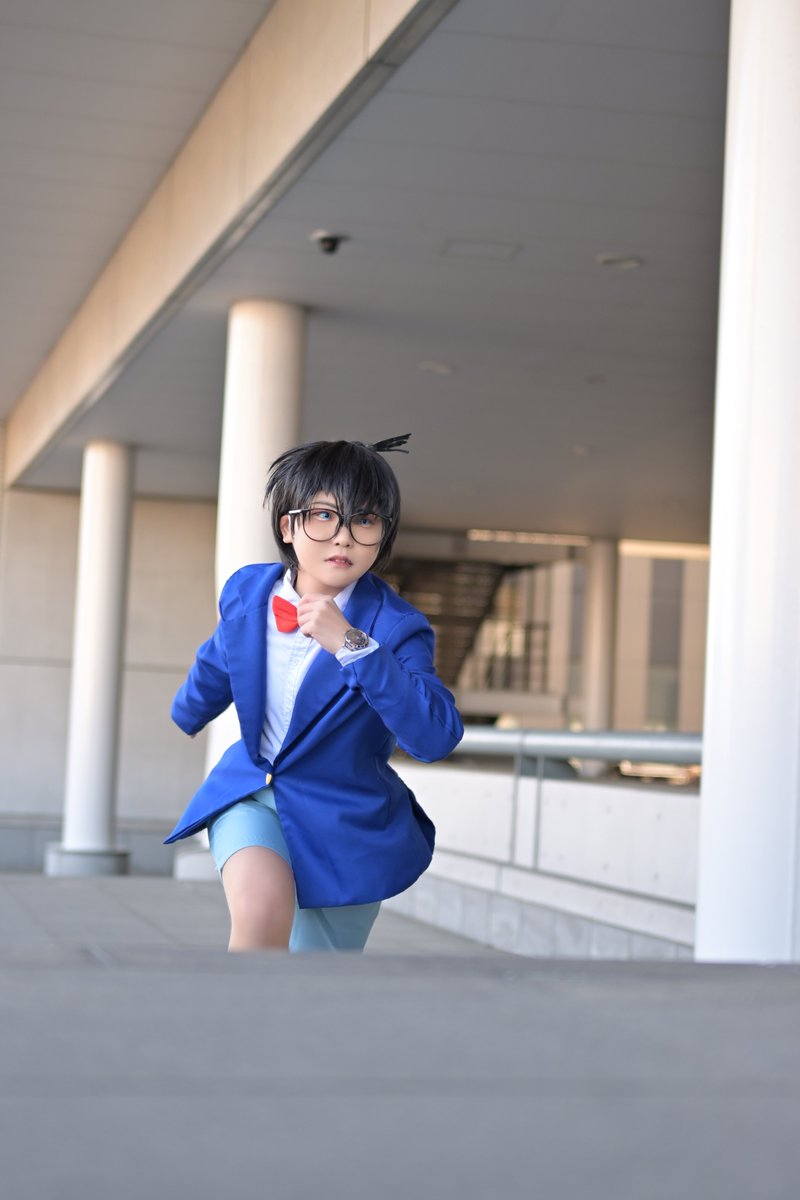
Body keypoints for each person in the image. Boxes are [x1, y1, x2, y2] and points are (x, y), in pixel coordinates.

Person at [164, 434, 463, 953]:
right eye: (324, 516)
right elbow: (224, 653)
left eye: (364, 520)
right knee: (260, 918)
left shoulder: (397, 627)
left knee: (317, 972)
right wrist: (189, 709)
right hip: (252, 793)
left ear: (383, 534)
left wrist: (353, 645)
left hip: (344, 821)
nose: (343, 537)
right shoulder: (249, 590)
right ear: (288, 526)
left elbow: (435, 736)